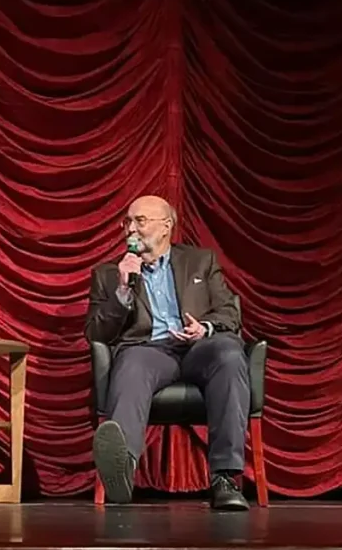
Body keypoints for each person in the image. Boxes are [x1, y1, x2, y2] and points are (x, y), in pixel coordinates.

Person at [84, 195, 250, 510]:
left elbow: (229, 313)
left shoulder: (201, 262)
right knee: (130, 363)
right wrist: (122, 288)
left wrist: (205, 327)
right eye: (127, 222)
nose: (130, 229)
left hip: (199, 346)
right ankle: (122, 470)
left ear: (166, 227)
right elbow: (96, 333)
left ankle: (225, 479)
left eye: (140, 221)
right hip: (149, 350)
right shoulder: (108, 273)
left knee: (229, 352)